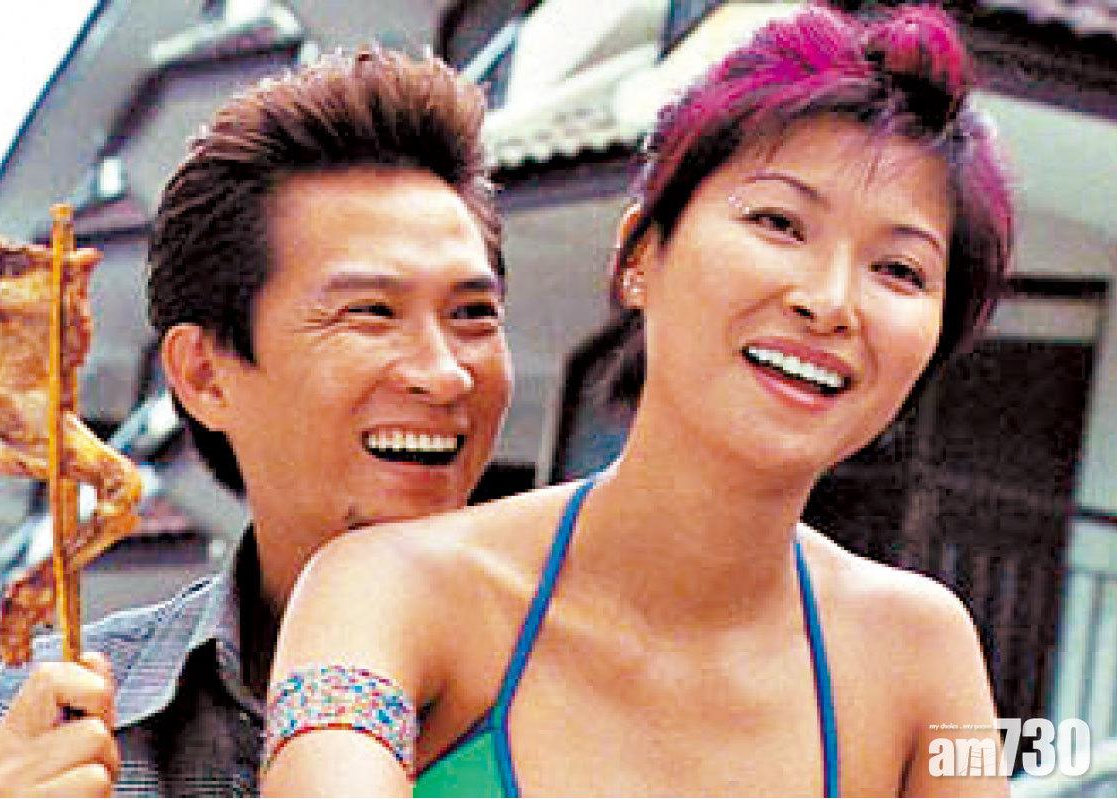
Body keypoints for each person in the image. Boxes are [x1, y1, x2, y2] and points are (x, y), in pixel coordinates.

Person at [260, 5, 1015, 797]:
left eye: (899, 270)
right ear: (639, 256)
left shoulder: (922, 657)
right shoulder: (387, 588)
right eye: (779, 222)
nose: (830, 302)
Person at [0, 48, 513, 797]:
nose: (445, 373)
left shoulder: (599, 681)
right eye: (370, 312)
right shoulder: (36, 729)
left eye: (472, 314)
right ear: (204, 374)